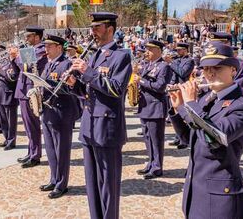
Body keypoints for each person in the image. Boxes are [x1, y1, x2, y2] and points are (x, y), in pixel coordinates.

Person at [168, 42, 243, 219]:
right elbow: (190, 139)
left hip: (220, 197)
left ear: (233, 70)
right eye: (206, 68)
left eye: (217, 67)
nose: (210, 73)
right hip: (196, 189)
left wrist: (191, 105)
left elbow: (215, 138)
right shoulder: (205, 101)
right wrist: (179, 110)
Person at [66, 12, 132, 219]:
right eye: (91, 27)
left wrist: (87, 71)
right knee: (92, 184)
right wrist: (73, 85)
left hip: (107, 128)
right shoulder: (93, 55)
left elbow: (115, 90)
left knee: (108, 186)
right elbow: (88, 92)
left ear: (109, 29)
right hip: (89, 126)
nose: (92, 31)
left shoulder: (121, 56)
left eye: (97, 27)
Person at [39, 35, 80, 199]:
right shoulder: (49, 63)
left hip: (62, 111)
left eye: (49, 46)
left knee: (61, 149)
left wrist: (51, 85)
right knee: (50, 148)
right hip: (48, 110)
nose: (46, 49)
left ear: (59, 48)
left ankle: (62, 183)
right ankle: (54, 178)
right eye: (45, 46)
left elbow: (73, 89)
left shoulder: (67, 64)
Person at [132, 39, 172, 179]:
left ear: (158, 51)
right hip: (145, 106)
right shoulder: (147, 65)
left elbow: (160, 87)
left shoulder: (163, 66)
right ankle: (150, 163)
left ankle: (157, 167)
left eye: (150, 50)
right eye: (146, 49)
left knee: (156, 139)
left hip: (155, 106)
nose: (146, 52)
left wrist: (141, 80)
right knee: (147, 138)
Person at [11, 26, 48, 168]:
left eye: (29, 36)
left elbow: (26, 65)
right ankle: (30, 151)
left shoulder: (41, 50)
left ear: (37, 37)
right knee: (27, 125)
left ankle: (35, 155)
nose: (26, 39)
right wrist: (14, 58)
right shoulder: (29, 50)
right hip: (22, 89)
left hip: (30, 90)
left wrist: (16, 56)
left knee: (32, 125)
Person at [167, 42, 195, 149]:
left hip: (183, 88)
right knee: (174, 114)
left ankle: (184, 138)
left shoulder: (189, 61)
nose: (177, 52)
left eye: (180, 50)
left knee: (182, 114)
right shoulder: (176, 60)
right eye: (177, 50)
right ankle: (178, 137)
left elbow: (183, 73)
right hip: (173, 87)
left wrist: (171, 63)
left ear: (185, 50)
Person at [0, 46, 19, 150]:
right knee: (3, 119)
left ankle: (11, 141)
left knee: (11, 120)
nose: (7, 52)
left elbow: (12, 77)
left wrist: (0, 70)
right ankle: (6, 138)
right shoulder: (3, 62)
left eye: (10, 50)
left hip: (9, 94)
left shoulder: (13, 63)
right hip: (0, 93)